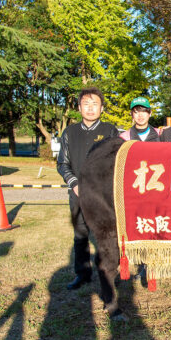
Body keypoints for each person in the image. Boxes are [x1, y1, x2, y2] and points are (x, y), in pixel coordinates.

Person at [57, 87, 119, 290]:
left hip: (103, 195)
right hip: (77, 193)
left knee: (106, 234)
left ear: (101, 108)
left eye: (95, 104)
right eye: (86, 104)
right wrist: (74, 183)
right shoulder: (69, 132)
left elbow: (115, 163)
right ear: (79, 107)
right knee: (80, 233)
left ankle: (109, 271)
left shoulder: (110, 131)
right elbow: (62, 163)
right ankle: (82, 273)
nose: (90, 109)